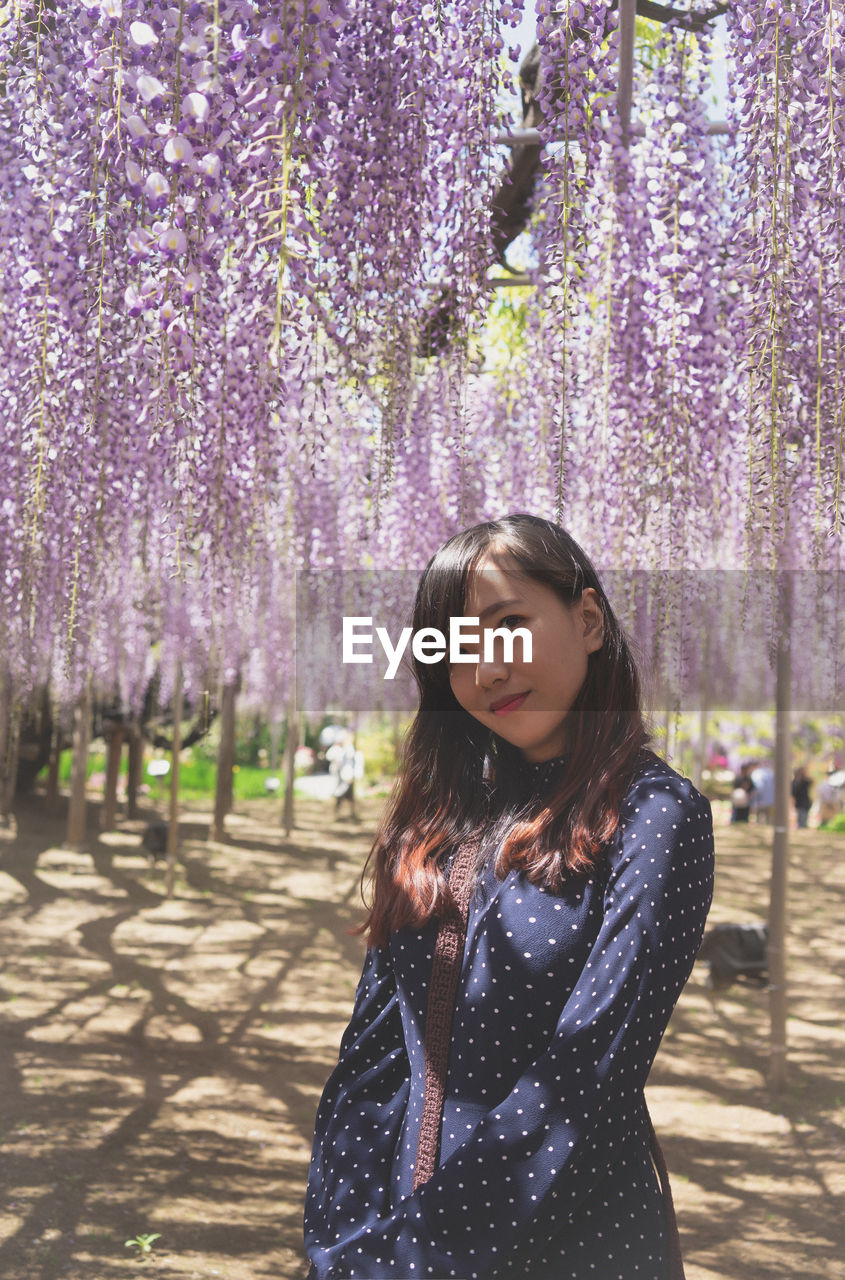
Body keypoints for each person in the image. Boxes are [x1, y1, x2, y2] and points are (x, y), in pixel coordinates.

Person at [304, 514, 715, 1280]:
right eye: (455, 647)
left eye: (507, 625)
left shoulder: (654, 815)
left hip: (567, 1238)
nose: (485, 669)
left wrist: (413, 1257)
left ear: (587, 621)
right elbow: (371, 1059)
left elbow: (588, 1071)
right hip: (398, 1227)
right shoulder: (441, 821)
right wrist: (340, 1240)